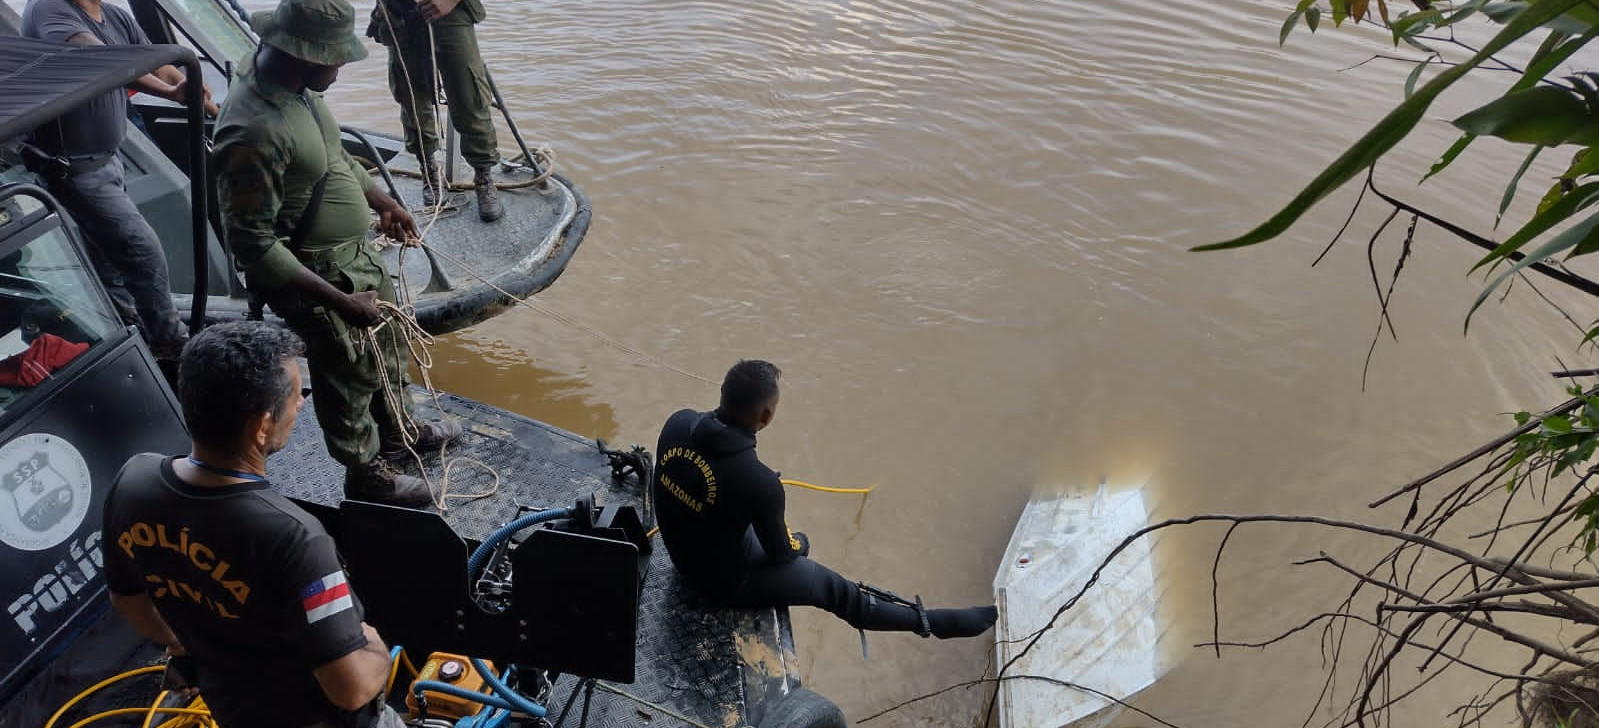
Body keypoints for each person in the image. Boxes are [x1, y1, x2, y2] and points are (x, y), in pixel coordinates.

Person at [211, 0, 461, 508]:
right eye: (336, 58)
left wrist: (382, 200)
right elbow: (253, 244)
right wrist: (340, 302)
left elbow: (336, 155)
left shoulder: (300, 90)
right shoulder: (253, 131)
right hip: (318, 274)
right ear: (304, 54)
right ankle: (368, 474)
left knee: (387, 346)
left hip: (355, 256)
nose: (343, 66)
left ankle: (401, 434)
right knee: (346, 373)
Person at [102, 321, 406, 728]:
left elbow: (127, 598)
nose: (300, 405)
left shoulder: (133, 484)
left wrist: (181, 642)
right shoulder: (296, 538)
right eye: (298, 395)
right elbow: (349, 689)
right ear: (261, 425)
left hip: (233, 710)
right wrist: (375, 646)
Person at [652, 360, 998, 640]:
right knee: (838, 592)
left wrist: (758, 495)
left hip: (683, 555)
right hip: (723, 584)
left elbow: (698, 484)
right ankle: (933, 623)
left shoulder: (676, 423)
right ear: (767, 417)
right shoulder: (758, 482)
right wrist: (800, 542)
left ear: (722, 393)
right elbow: (782, 554)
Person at [19, 0, 218, 362]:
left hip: (109, 160)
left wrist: (196, 91)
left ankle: (129, 330)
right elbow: (103, 62)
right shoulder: (49, 9)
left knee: (111, 261)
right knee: (142, 250)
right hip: (74, 169)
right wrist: (170, 93)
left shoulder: (114, 15)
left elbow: (157, 60)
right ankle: (171, 345)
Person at [367, 0, 504, 222]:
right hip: (399, 12)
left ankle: (483, 177)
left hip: (450, 12)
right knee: (411, 98)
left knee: (469, 95)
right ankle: (429, 171)